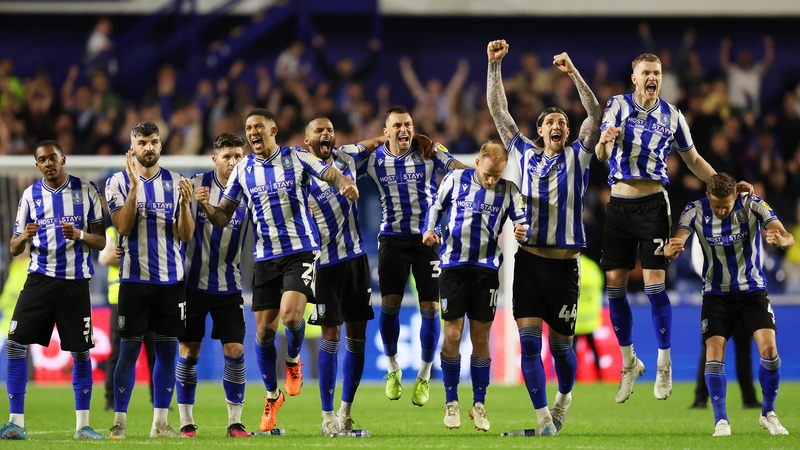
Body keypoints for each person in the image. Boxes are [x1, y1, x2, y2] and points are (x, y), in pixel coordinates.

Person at [594, 52, 751, 404]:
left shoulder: (673, 115)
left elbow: (692, 159)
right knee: (615, 286)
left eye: (657, 72)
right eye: (646, 72)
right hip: (618, 204)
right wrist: (605, 141)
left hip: (653, 203)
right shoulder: (617, 106)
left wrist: (724, 185)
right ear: (635, 78)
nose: (652, 77)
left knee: (654, 284)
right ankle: (629, 362)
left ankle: (663, 363)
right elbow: (601, 154)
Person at [197, 108, 358, 432]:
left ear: (273, 131)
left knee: (291, 316)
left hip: (300, 250)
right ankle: (272, 396)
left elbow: (327, 171)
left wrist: (345, 182)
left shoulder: (295, 157)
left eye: (258, 126)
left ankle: (293, 360)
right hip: (265, 258)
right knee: (263, 333)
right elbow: (223, 216)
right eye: (248, 128)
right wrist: (206, 206)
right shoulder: (243, 170)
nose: (252, 132)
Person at [487, 40, 602, 435]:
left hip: (565, 268)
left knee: (562, 349)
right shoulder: (521, 152)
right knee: (530, 344)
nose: (557, 126)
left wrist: (573, 73)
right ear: (539, 130)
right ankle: (542, 421)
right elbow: (499, 111)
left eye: (562, 123)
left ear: (568, 132)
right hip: (529, 264)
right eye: (550, 122)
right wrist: (494, 66)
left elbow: (595, 113)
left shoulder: (579, 155)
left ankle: (563, 400)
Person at [663, 172, 793, 437]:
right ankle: (721, 420)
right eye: (716, 205)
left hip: (753, 292)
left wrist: (783, 240)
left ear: (736, 195)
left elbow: (786, 235)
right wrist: (671, 250)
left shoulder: (752, 204)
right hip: (716, 295)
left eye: (726, 205)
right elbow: (677, 239)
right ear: (707, 196)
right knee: (714, 351)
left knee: (769, 349)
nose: (721, 211)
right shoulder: (695, 209)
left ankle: (768, 413)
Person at [362, 106, 468, 406]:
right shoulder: (373, 159)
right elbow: (342, 161)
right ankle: (393, 368)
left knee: (431, 307)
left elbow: (460, 170)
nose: (404, 129)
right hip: (392, 239)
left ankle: (423, 374)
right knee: (390, 305)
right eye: (397, 125)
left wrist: (477, 176)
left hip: (427, 239)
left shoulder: (429, 152)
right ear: (386, 132)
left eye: (408, 124)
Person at [1, 140, 106, 440]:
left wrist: (81, 234)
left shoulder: (87, 191)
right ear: (37, 165)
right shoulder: (29, 196)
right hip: (40, 280)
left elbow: (101, 241)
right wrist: (24, 237)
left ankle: (83, 427)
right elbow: (13, 247)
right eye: (42, 160)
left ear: (63, 159)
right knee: (15, 345)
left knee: (81, 353)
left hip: (75, 282)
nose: (48, 163)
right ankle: (15, 423)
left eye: (52, 158)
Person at [423, 141, 529, 432]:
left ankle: (479, 404)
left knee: (481, 338)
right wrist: (429, 230)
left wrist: (522, 230)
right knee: (453, 334)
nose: (492, 180)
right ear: (478, 162)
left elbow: (524, 221)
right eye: (488, 174)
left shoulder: (509, 191)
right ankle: (451, 401)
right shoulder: (456, 179)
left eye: (498, 175)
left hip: (486, 270)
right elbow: (435, 206)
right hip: (453, 268)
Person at [105, 121, 195, 439]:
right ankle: (119, 422)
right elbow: (123, 227)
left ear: (160, 145)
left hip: (171, 282)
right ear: (132, 148)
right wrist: (134, 188)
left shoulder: (177, 182)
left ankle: (160, 423)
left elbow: (186, 235)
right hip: (134, 281)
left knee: (166, 353)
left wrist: (184, 206)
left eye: (154, 142)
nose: (149, 148)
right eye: (142, 142)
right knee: (128, 352)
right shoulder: (117, 182)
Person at [303, 116, 384, 436]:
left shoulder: (348, 156)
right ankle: (327, 418)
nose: (326, 134)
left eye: (329, 130)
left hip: (356, 260)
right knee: (331, 335)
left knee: (357, 337)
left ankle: (345, 413)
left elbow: (373, 143)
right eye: (319, 131)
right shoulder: (300, 172)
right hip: (325, 265)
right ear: (307, 140)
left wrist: (400, 134)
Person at [174, 133, 252, 438]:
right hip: (191, 286)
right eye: (227, 156)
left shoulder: (250, 188)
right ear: (214, 159)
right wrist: (189, 204)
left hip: (229, 285)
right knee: (189, 351)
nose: (232, 162)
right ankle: (186, 422)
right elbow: (181, 232)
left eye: (238, 156)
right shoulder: (194, 185)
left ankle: (235, 422)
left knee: (235, 350)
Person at [99, 225, 156, 412]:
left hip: (148, 296)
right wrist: (123, 252)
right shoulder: (112, 232)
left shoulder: (147, 227)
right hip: (120, 299)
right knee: (118, 351)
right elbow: (103, 259)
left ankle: (158, 399)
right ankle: (111, 398)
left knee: (153, 350)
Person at [691, 320, 759, 409]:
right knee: (712, 353)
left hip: (738, 315)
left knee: (743, 355)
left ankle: (700, 399)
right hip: (724, 314)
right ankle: (749, 398)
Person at [573, 255, 605, 380]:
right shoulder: (592, 267)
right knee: (593, 348)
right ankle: (599, 375)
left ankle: (573, 377)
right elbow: (600, 286)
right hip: (590, 318)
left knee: (572, 351)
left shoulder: (572, 265)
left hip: (575, 318)